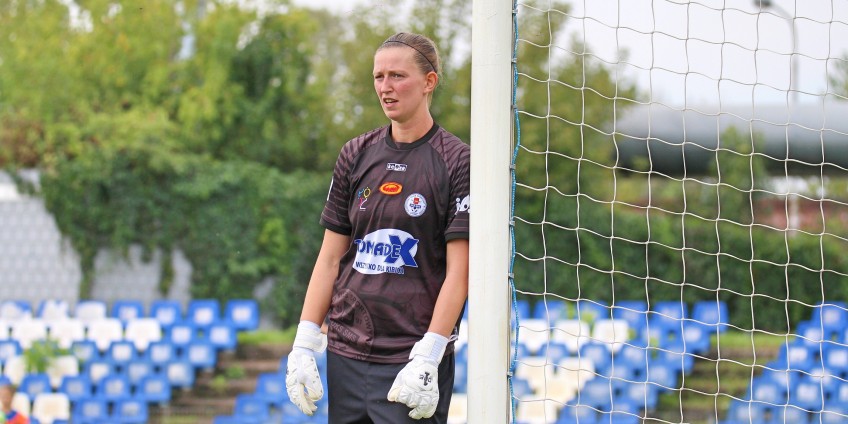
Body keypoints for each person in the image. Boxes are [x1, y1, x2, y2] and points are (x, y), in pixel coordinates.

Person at [285, 32, 470, 424]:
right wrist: (304, 340)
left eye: (397, 76)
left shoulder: (457, 161)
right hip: (346, 353)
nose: (386, 87)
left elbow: (461, 271)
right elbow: (330, 258)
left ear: (429, 82)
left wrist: (430, 353)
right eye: (379, 76)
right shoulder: (355, 153)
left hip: (411, 361)